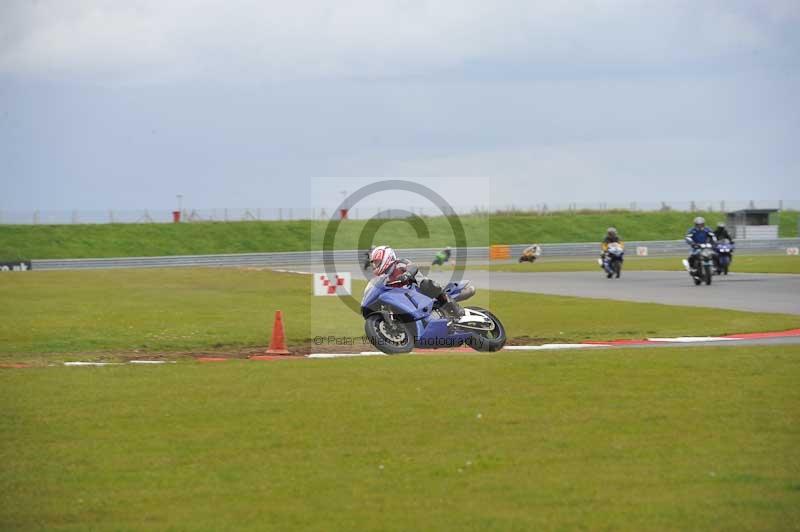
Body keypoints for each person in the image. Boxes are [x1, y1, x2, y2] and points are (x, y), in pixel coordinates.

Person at [370, 245, 466, 321]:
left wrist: (407, 274)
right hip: (405, 298)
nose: (375, 265)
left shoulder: (399, 263)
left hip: (418, 290)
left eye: (377, 262)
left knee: (426, 284)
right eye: (374, 263)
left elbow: (412, 266)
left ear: (386, 257)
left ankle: (456, 310)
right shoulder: (384, 276)